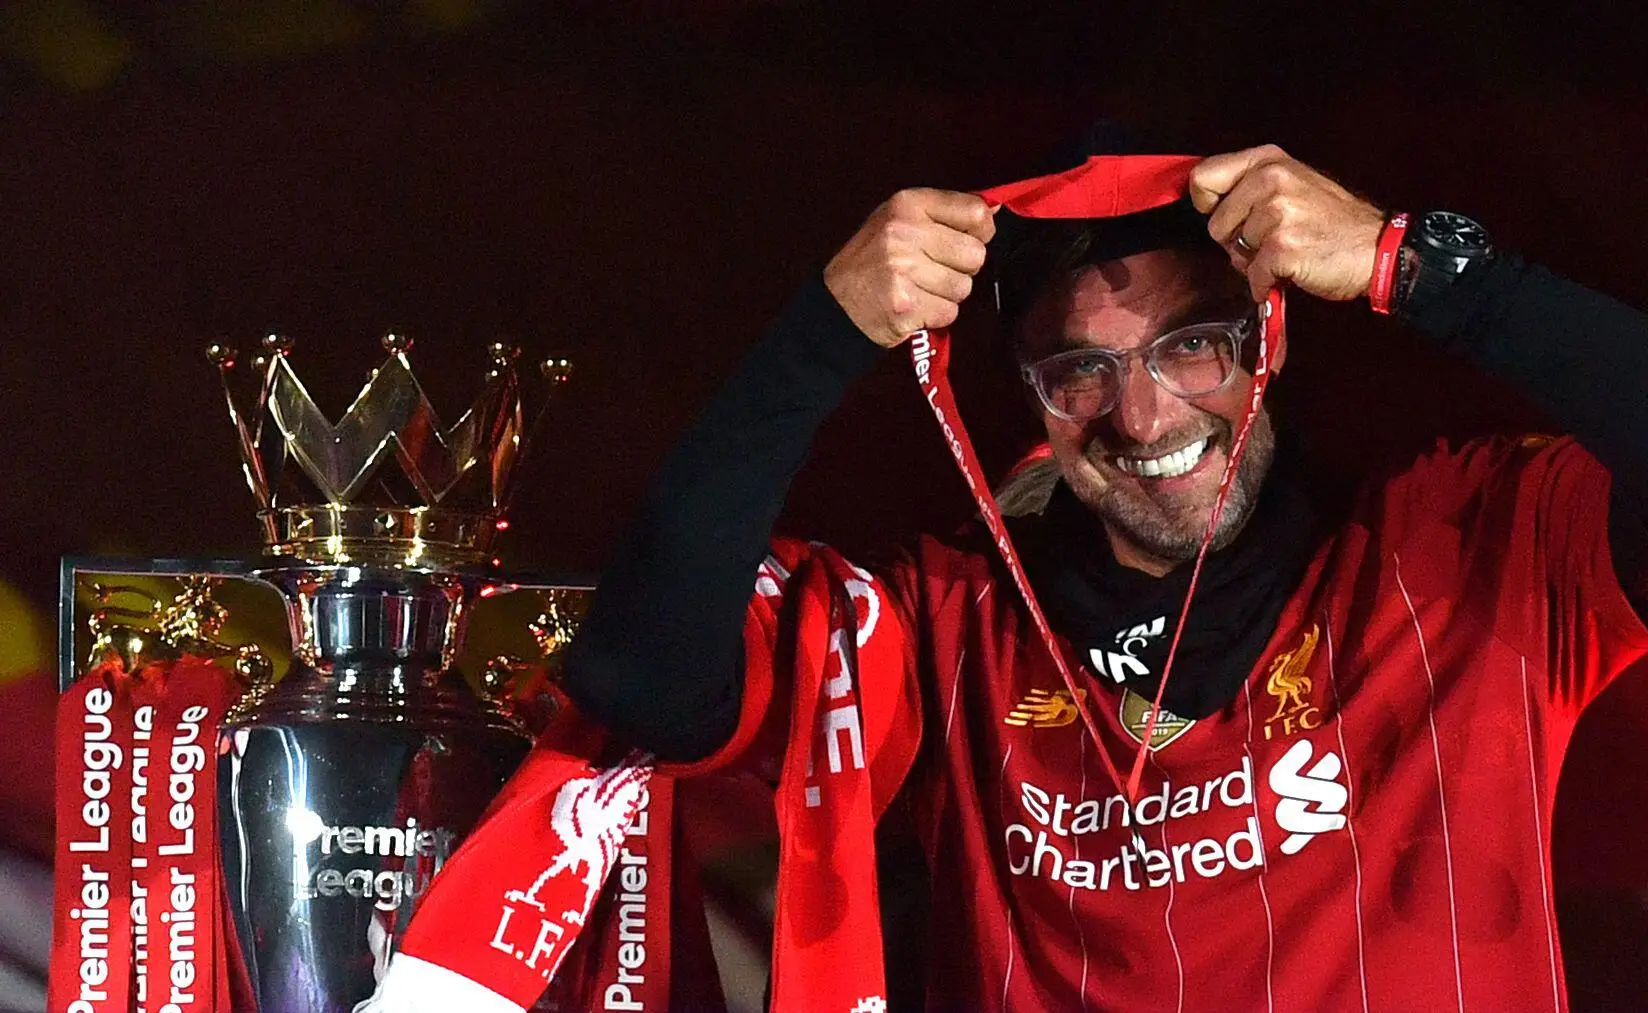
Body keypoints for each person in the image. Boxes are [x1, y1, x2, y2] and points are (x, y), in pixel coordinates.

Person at [559, 131, 1648, 1010]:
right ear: (1028, 393)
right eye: (1080, 370)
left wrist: (1411, 266)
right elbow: (643, 683)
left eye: (1189, 345)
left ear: (1268, 338)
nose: (1141, 415)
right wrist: (822, 330)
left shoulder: (1471, 551)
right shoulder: (946, 619)